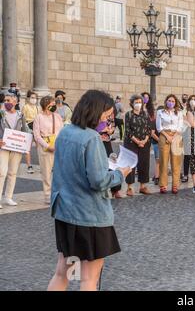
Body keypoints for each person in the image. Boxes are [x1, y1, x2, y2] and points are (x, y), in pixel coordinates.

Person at [47, 90, 131, 291]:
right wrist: (121, 174)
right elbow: (98, 181)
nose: (107, 119)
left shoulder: (65, 132)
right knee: (88, 279)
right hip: (89, 216)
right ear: (95, 111)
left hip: (65, 212)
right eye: (106, 114)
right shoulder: (91, 138)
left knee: (63, 272)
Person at [0, 92, 30, 208]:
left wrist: (26, 144)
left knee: (12, 173)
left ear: (16, 102)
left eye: (9, 100)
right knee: (1, 173)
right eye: (5, 100)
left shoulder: (20, 115)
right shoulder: (1, 114)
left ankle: (8, 197)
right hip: (3, 147)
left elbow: (26, 130)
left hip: (16, 148)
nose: (6, 102)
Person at [33, 96, 64, 204]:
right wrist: (47, 146)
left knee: (59, 172)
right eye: (52, 103)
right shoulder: (39, 117)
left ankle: (58, 193)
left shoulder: (57, 116)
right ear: (46, 105)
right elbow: (37, 135)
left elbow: (62, 130)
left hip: (58, 147)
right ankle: (47, 195)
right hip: (45, 148)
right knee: (46, 172)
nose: (54, 105)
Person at [124, 94, 152, 196]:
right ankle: (130, 187)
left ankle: (143, 186)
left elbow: (149, 129)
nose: (138, 104)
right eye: (136, 102)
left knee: (144, 164)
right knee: (131, 164)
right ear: (132, 104)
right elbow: (127, 130)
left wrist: (144, 140)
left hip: (145, 143)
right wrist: (137, 141)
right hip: (132, 143)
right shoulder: (129, 115)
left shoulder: (145, 114)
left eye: (140, 102)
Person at [156, 94, 184, 194]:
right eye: (169, 100)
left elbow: (180, 127)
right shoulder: (160, 112)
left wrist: (174, 136)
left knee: (176, 162)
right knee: (163, 161)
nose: (171, 102)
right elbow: (159, 127)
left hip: (176, 136)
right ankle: (163, 185)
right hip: (164, 135)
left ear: (175, 102)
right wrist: (167, 136)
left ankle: (175, 185)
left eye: (172, 101)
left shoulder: (179, 113)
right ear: (166, 101)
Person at [98, 106, 123, 199]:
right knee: (100, 166)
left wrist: (110, 131)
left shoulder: (110, 115)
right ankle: (102, 190)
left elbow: (112, 127)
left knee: (112, 164)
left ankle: (115, 189)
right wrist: (101, 131)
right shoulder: (96, 114)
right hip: (97, 142)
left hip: (107, 142)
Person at [22, 90, 40, 174]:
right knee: (27, 148)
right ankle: (29, 166)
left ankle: (42, 165)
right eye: (32, 98)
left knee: (39, 147)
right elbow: (23, 119)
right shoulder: (25, 107)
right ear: (28, 98)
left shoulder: (37, 107)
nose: (34, 99)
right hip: (28, 128)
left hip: (36, 128)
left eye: (35, 98)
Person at [182, 95, 195, 183]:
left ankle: (194, 173)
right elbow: (185, 121)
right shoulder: (185, 110)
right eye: (191, 99)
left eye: (194, 99)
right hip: (187, 134)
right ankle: (185, 174)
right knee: (187, 156)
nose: (193, 101)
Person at [146, 97, 160, 185]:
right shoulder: (154, 121)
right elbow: (152, 133)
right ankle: (157, 177)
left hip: (164, 143)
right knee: (158, 161)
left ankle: (158, 175)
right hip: (156, 143)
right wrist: (160, 140)